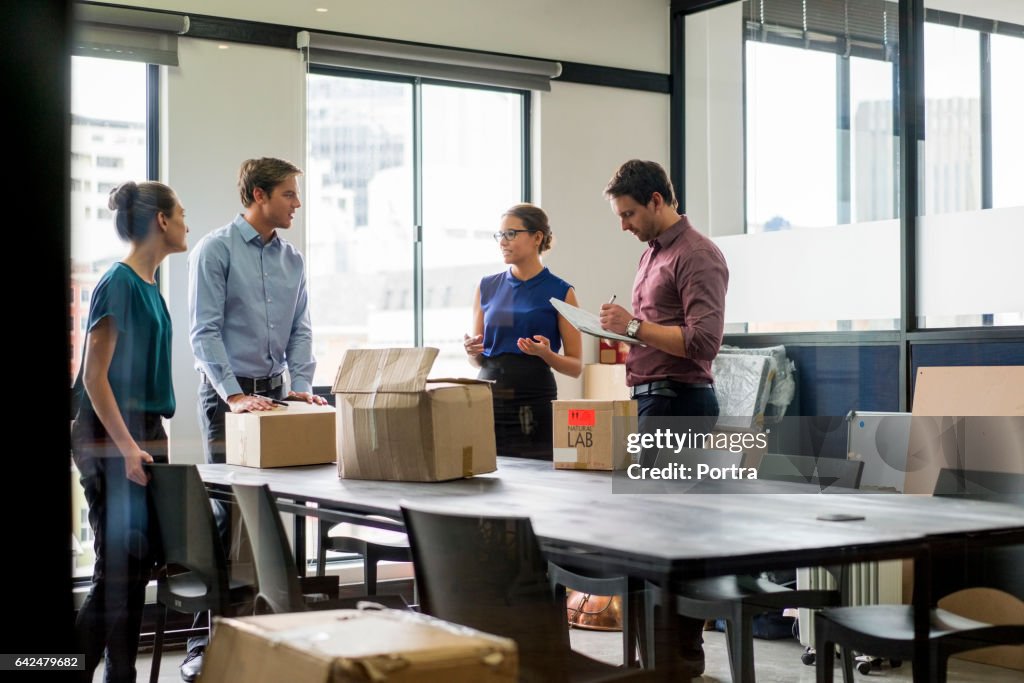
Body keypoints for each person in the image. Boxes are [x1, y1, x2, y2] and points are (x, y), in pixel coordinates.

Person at [185, 157, 325, 681]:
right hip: (227, 400)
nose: (296, 203)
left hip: (278, 398)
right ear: (260, 196)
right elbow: (204, 331)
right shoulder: (216, 250)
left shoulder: (292, 259)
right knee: (226, 518)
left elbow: (301, 330)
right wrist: (234, 395)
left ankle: (273, 634)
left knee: (274, 512)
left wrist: (302, 387)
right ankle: (207, 641)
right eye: (289, 194)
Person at [599, 159, 729, 677]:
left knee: (674, 541)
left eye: (629, 214)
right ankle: (664, 658)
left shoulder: (698, 255)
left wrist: (634, 326)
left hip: (680, 404)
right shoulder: (653, 253)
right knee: (652, 538)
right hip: (654, 400)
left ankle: (677, 659)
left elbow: (702, 342)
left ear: (657, 200)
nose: (624, 225)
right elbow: (655, 330)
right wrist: (626, 333)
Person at [71, 181, 188, 682]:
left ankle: (122, 676)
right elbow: (95, 377)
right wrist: (128, 450)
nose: (187, 222)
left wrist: (144, 447)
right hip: (111, 434)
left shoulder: (150, 288)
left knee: (136, 569)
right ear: (161, 220)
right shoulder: (118, 282)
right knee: (115, 572)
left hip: (143, 434)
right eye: (181, 213)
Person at [464, 203, 582, 459]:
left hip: (534, 398)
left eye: (511, 234)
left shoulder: (562, 292)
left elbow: (575, 366)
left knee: (537, 478)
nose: (502, 242)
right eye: (500, 235)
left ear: (537, 237)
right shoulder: (487, 287)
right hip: (489, 396)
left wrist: (547, 354)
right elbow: (478, 359)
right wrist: (471, 351)